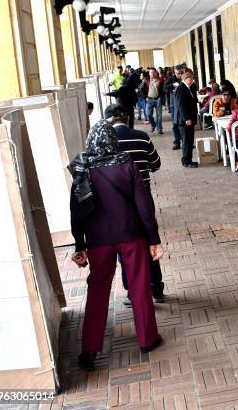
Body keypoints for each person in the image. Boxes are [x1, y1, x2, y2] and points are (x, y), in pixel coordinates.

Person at [68, 120, 163, 368]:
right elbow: (143, 204)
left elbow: (76, 209)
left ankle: (89, 350)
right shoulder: (125, 163)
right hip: (131, 235)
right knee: (139, 285)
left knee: (97, 290)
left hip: (98, 241)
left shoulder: (82, 166)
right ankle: (147, 339)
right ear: (113, 140)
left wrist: (79, 245)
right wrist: (153, 238)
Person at [105, 104, 164, 304]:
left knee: (125, 248)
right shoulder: (142, 136)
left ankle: (132, 291)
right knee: (150, 239)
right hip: (144, 199)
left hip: (117, 203)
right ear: (128, 118)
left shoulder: (104, 142)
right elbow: (155, 164)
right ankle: (156, 288)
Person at [174, 72, 198, 168]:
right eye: (190, 79)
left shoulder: (189, 87)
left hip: (190, 118)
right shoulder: (181, 88)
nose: (192, 80)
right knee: (186, 141)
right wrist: (186, 118)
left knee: (190, 140)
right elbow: (181, 105)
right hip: (185, 120)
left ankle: (189, 160)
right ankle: (186, 161)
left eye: (192, 79)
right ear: (185, 79)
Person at [145, 68, 164, 134]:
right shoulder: (146, 81)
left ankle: (159, 129)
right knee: (148, 115)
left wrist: (162, 101)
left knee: (159, 116)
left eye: (153, 72)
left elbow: (162, 91)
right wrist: (145, 97)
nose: (152, 74)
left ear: (156, 73)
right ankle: (153, 125)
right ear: (149, 73)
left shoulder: (160, 81)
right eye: (151, 72)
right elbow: (141, 90)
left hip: (158, 99)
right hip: (149, 100)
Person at [170, 67, 183, 150]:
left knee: (185, 125)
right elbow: (164, 87)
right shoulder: (171, 79)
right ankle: (177, 142)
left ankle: (187, 142)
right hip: (174, 104)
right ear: (175, 73)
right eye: (178, 73)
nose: (180, 75)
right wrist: (172, 85)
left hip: (183, 105)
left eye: (181, 73)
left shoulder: (186, 79)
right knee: (175, 124)